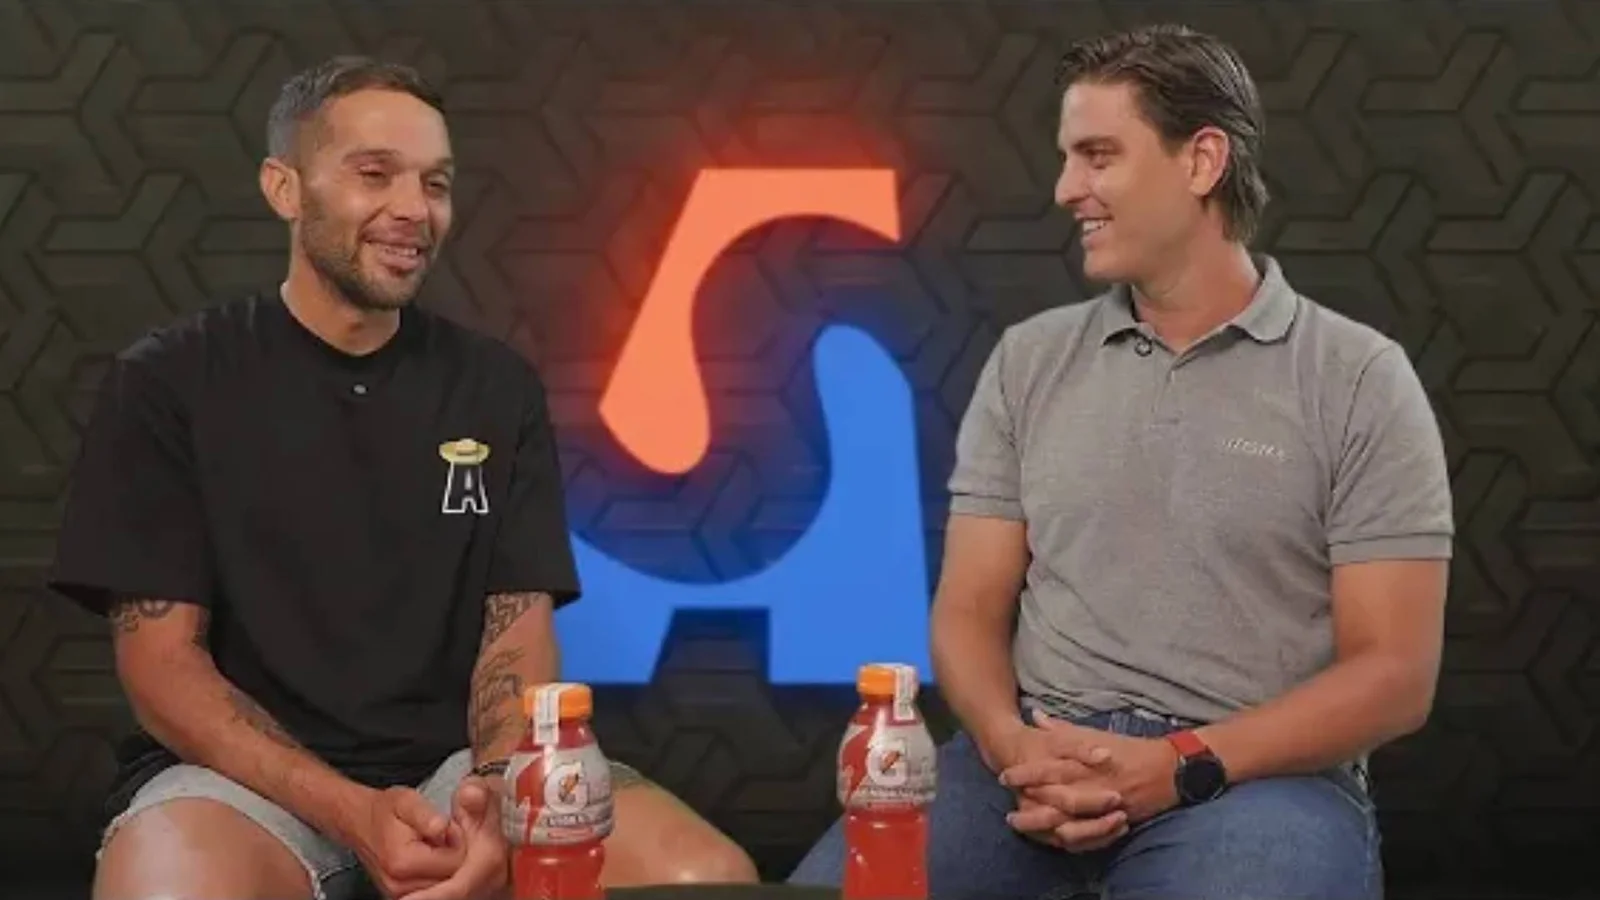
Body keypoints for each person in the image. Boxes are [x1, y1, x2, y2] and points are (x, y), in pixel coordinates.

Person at [48, 55, 758, 900]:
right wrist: (350, 809)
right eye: (375, 174)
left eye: (436, 183)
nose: (415, 209)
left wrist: (495, 797)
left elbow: (517, 634)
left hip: (456, 774)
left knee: (704, 877)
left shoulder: (494, 387)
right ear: (284, 188)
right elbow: (162, 667)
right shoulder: (170, 380)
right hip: (243, 784)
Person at [789, 22, 1453, 900]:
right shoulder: (1030, 360)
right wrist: (1012, 746)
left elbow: (1394, 675)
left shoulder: (1358, 377)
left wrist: (1179, 763)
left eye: (1098, 156)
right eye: (1068, 158)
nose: (1067, 189)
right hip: (1030, 762)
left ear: (1202, 161)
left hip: (1257, 780)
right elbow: (967, 610)